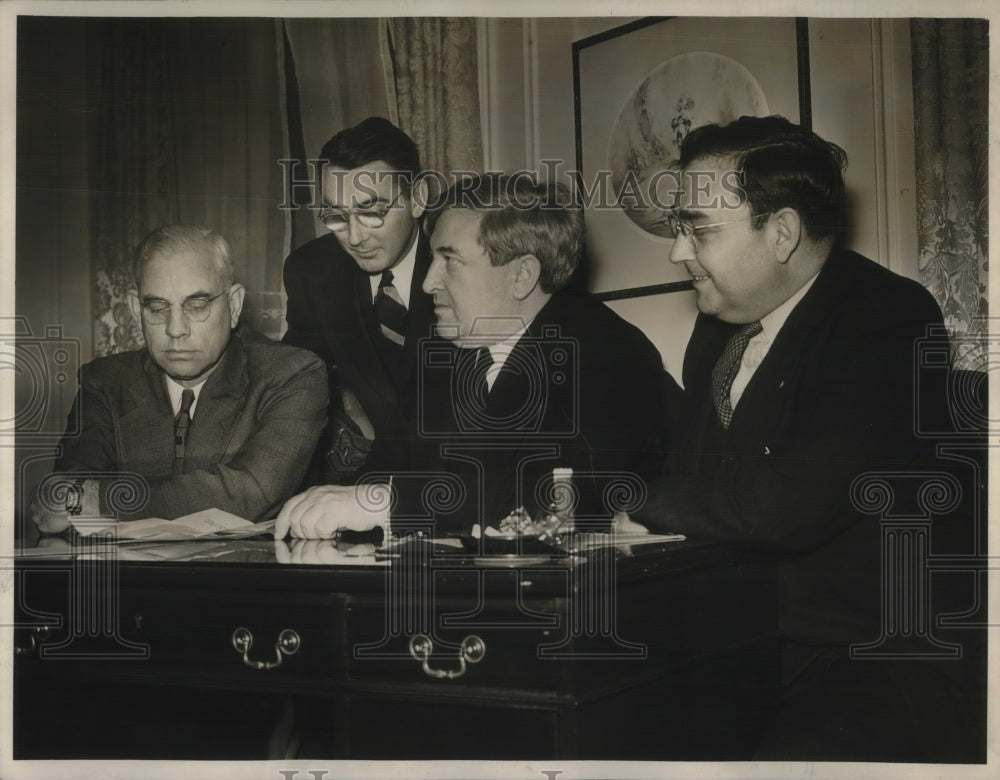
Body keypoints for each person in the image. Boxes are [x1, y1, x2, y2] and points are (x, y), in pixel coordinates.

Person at [633, 116, 980, 762]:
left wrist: (633, 502)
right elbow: (707, 487)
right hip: (757, 645)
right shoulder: (716, 335)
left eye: (698, 229)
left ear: (783, 232)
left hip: (878, 657)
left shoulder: (886, 316)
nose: (678, 252)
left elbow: (781, 505)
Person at [276, 175, 678, 540]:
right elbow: (394, 465)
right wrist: (336, 503)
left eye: (450, 261)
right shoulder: (448, 351)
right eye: (432, 259)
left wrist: (382, 503)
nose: (429, 281)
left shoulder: (607, 353)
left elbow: (555, 503)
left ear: (521, 275)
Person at [31, 224, 328, 533]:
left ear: (234, 305)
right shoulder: (105, 383)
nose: (175, 329)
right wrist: (78, 498)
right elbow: (62, 498)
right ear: (136, 309)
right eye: (157, 308)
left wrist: (98, 500)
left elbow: (251, 492)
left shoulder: (291, 374)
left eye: (197, 306)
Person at [282, 116, 435, 480]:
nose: (354, 238)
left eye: (371, 211)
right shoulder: (312, 271)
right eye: (337, 215)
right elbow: (296, 374)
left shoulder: (466, 262)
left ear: (418, 198)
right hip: (365, 478)